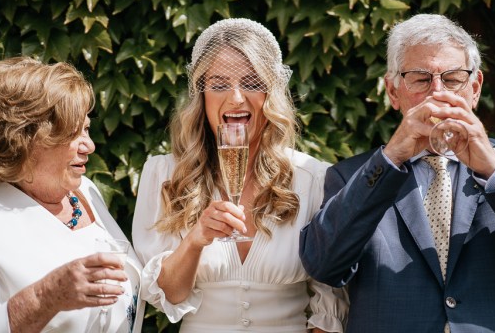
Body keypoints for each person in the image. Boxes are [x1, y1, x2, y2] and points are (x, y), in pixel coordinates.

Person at [299, 14, 495, 332]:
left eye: (452, 79)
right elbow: (323, 264)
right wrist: (391, 157)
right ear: (393, 91)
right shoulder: (351, 175)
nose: (437, 93)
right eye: (421, 79)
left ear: (474, 89)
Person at [132, 18, 347, 332]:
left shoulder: (313, 179)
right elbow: (168, 295)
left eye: (252, 82)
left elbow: (331, 297)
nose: (235, 98)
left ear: (270, 92)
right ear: (201, 95)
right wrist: (196, 241)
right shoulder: (165, 174)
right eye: (219, 85)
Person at [0, 57, 145, 333]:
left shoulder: (84, 191)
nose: (90, 146)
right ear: (22, 138)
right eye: (73, 133)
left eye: (87, 130)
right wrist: (45, 296)